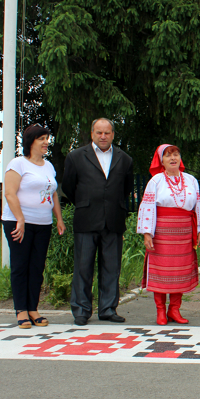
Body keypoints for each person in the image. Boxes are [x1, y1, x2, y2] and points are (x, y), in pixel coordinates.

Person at [63, 118, 134, 326]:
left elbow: (125, 189)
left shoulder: (125, 159)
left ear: (113, 134)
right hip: (86, 218)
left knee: (111, 267)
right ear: (92, 133)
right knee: (83, 266)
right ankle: (81, 310)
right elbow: (69, 186)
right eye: (99, 132)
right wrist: (86, 202)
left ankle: (108, 308)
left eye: (107, 133)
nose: (103, 136)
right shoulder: (76, 156)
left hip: (113, 219)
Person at [2, 125, 66, 328]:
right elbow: (10, 193)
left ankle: (33, 308)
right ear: (31, 142)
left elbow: (53, 193)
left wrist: (59, 219)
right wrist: (19, 218)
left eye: (47, 138)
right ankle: (21, 310)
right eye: (42, 139)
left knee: (37, 267)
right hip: (19, 222)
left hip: (43, 223)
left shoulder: (48, 166)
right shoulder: (18, 164)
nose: (46, 142)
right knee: (21, 266)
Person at [137, 145, 200, 325]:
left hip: (184, 232)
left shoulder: (191, 180)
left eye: (176, 154)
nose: (173, 158)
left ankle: (174, 310)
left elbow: (197, 206)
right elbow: (147, 207)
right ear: (161, 161)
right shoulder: (156, 181)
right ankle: (160, 311)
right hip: (162, 232)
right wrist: (147, 233)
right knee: (162, 272)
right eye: (168, 156)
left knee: (180, 272)